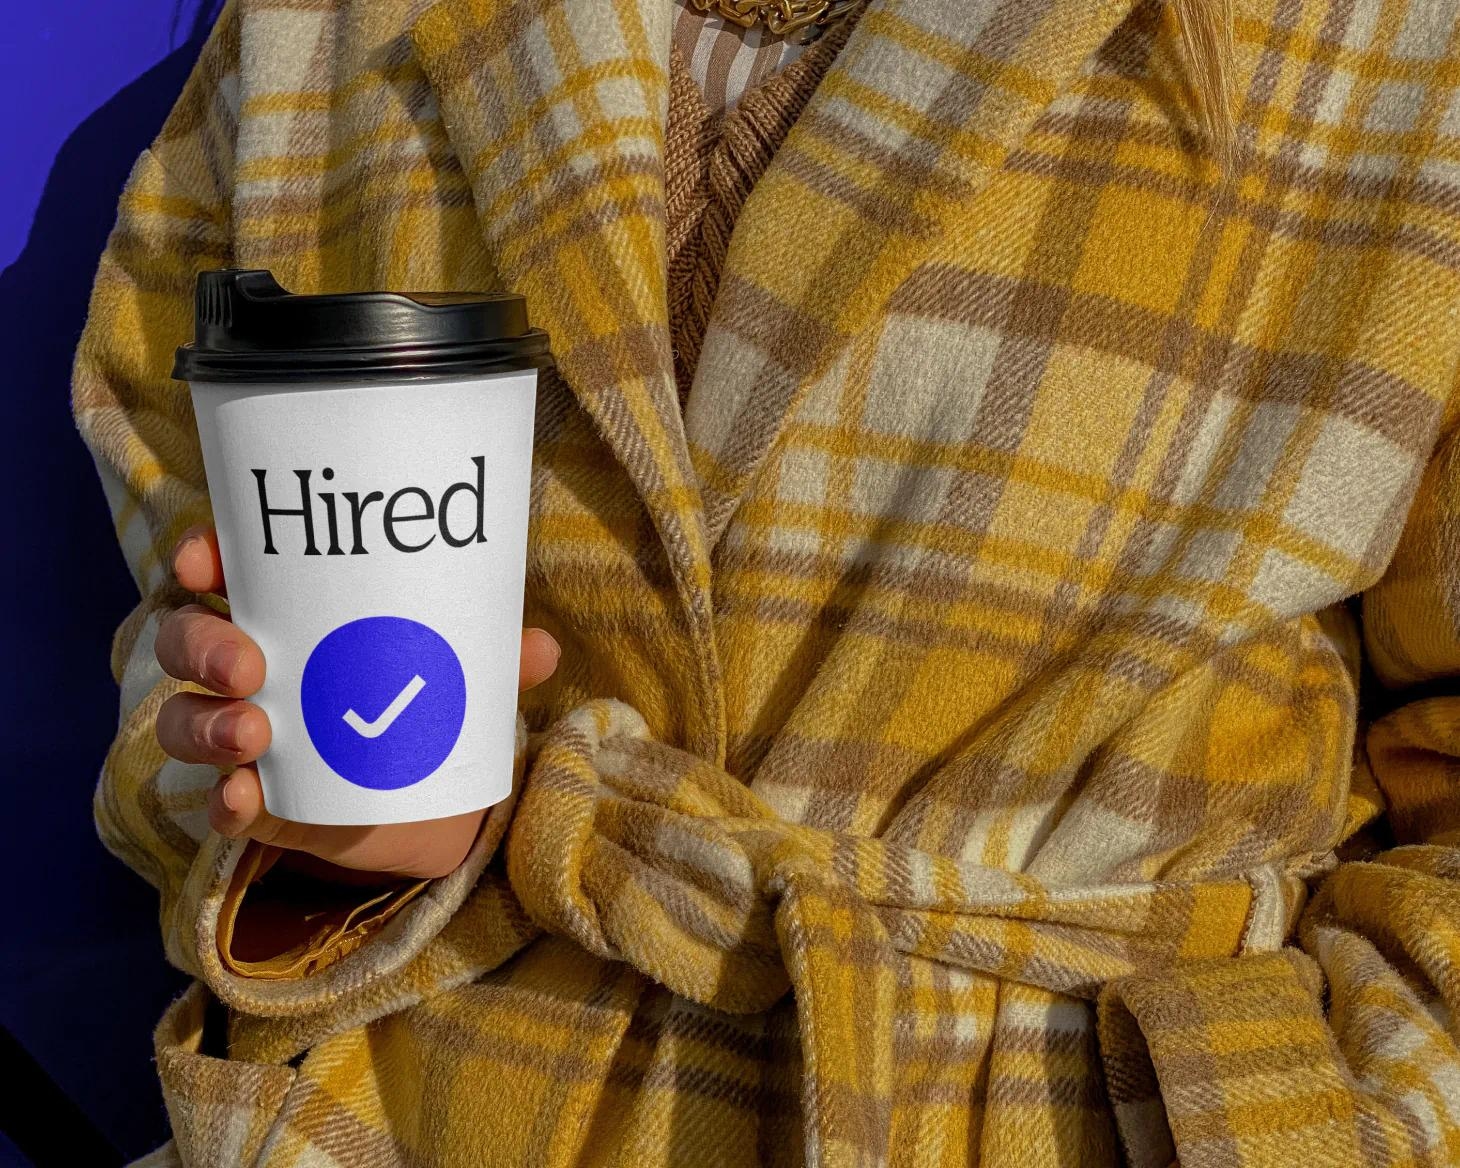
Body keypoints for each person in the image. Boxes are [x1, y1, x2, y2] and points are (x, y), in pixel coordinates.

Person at [73, 0, 1460, 1163]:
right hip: (431, 1106)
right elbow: (179, 581)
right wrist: (299, 813)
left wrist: (1331, 1126)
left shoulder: (1393, 43)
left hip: (1063, 1107)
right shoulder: (321, 25)